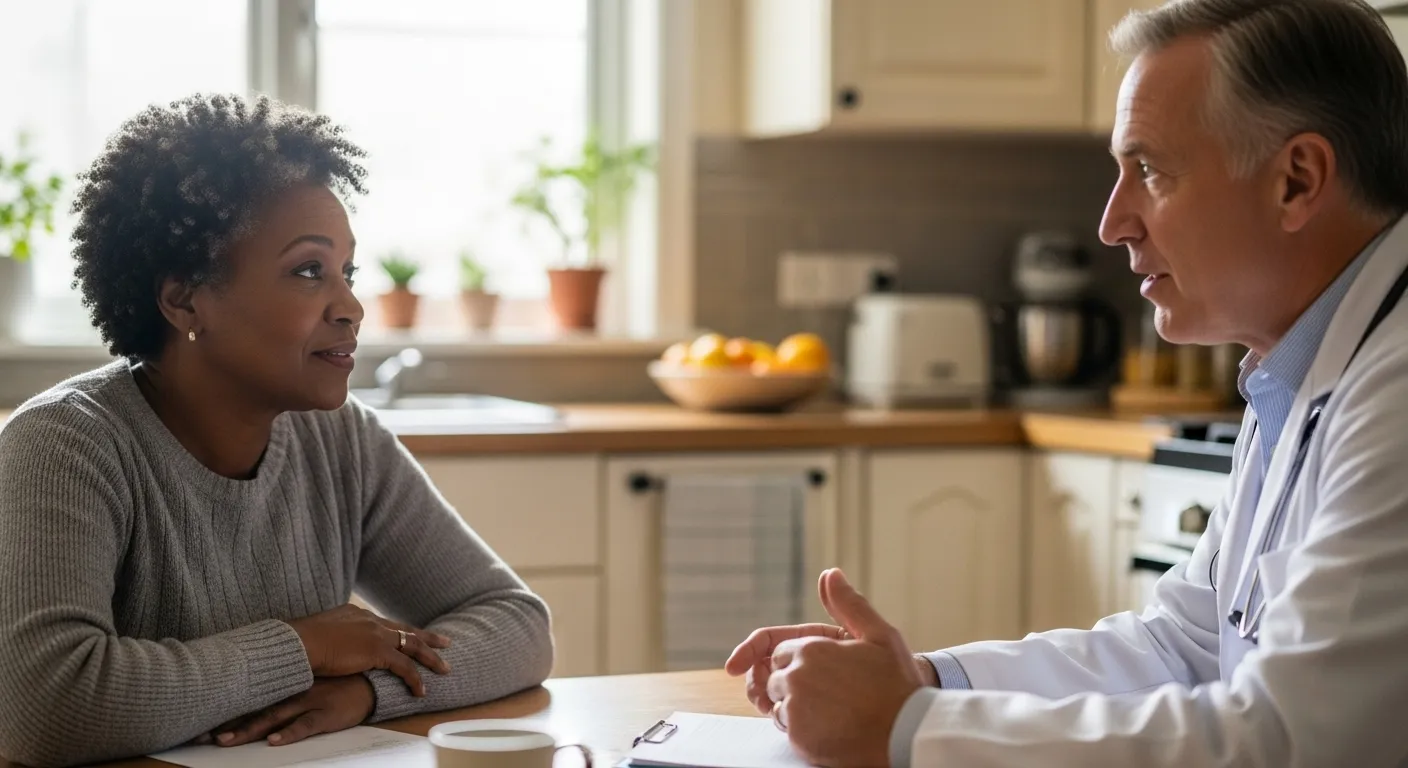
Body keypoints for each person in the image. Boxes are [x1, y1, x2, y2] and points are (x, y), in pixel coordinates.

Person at [726, 1, 1408, 765]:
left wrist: (907, 730)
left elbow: (1292, 741)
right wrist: (922, 684)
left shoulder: (1396, 390)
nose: (1113, 223)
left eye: (1148, 171)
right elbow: (1181, 645)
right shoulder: (1301, 369)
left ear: (1297, 180)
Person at [0, 94, 553, 768]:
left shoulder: (344, 442)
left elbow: (517, 626)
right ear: (183, 299)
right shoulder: (65, 445)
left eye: (347, 272)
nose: (350, 307)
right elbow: (47, 706)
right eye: (308, 271)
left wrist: (367, 691)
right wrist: (303, 647)